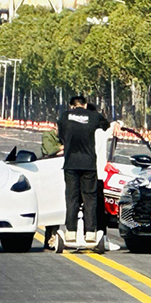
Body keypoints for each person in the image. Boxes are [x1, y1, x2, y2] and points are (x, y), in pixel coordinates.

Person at [57, 96, 119, 250]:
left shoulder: (64, 116)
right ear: (85, 105)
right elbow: (107, 126)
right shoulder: (94, 116)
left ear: (71, 106)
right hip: (89, 164)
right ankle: (90, 232)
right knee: (90, 199)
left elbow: (61, 136)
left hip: (71, 164)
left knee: (72, 198)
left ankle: (70, 232)